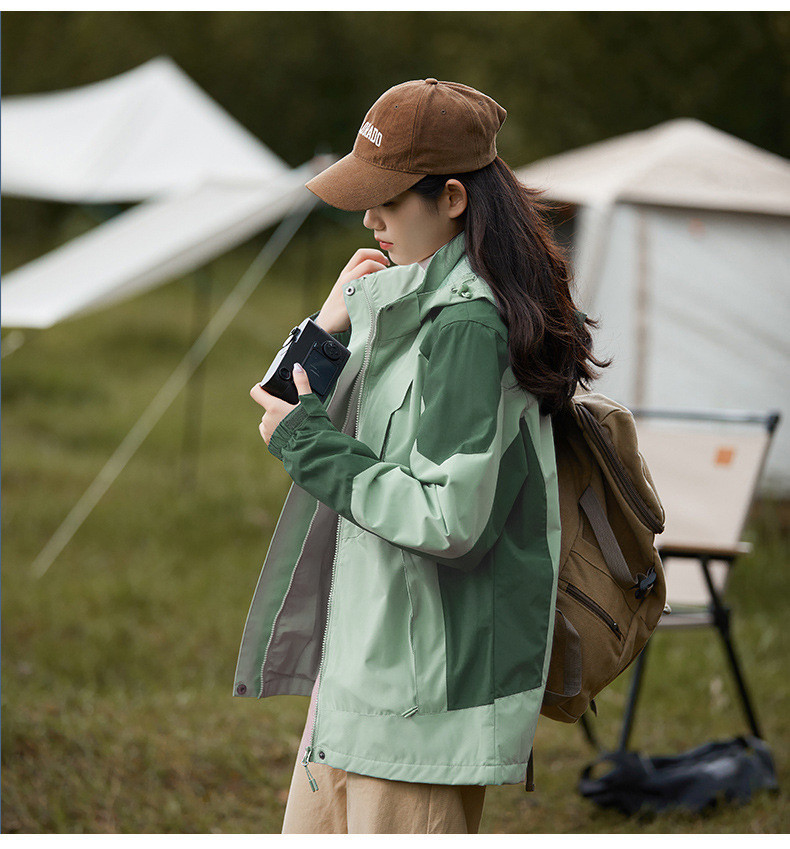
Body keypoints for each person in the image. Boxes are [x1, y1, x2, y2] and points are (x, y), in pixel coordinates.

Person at [236, 78, 606, 834]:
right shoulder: (404, 299)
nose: (369, 217)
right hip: (357, 679)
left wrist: (311, 446)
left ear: (453, 199)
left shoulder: (467, 327)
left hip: (421, 703)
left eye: (388, 198)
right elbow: (275, 402)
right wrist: (331, 319)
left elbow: (448, 518)